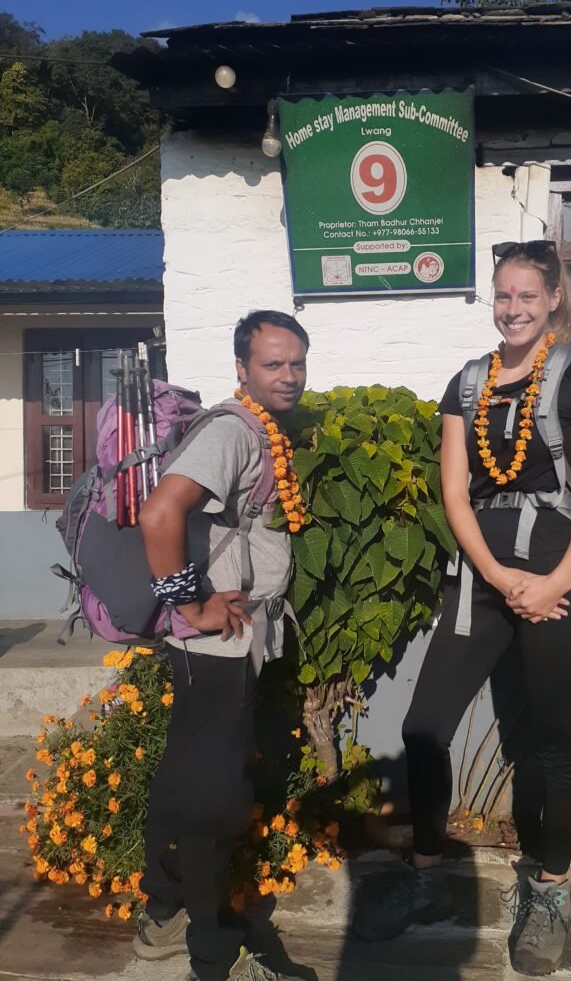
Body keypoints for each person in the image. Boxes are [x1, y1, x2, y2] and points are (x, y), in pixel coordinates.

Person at [354, 241, 571, 975]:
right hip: (482, 581)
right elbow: (454, 492)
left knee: (550, 740)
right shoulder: (467, 383)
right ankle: (427, 865)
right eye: (503, 296)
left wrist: (554, 579)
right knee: (424, 728)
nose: (513, 308)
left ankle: (550, 888)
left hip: (559, 581)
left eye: (527, 295)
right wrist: (501, 575)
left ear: (554, 298)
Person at [133, 310, 310, 981]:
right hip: (220, 641)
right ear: (243, 369)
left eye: (296, 363)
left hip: (223, 641)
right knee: (212, 799)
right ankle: (214, 955)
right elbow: (161, 512)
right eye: (273, 364)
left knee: (184, 778)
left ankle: (162, 914)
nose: (288, 376)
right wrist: (190, 603)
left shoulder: (258, 431)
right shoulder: (235, 431)